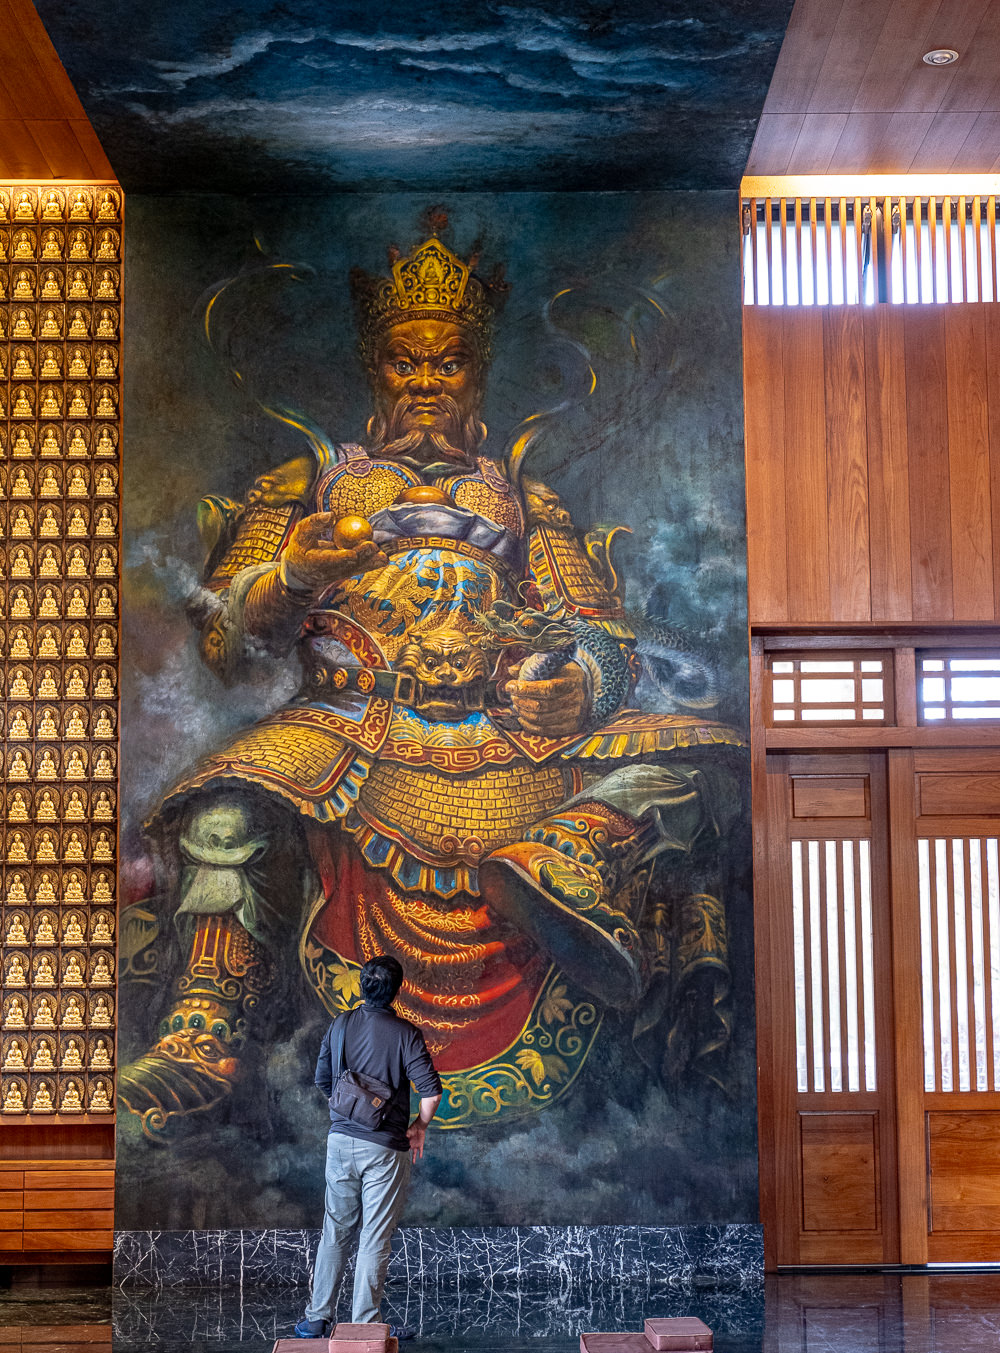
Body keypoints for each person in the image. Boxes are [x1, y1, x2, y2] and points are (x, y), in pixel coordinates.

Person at [119, 220, 743, 1142]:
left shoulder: (526, 498)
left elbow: (598, 630)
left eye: (444, 364)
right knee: (226, 814)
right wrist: (291, 570)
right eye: (403, 363)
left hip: (505, 732)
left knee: (708, 765)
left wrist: (578, 685)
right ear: (376, 371)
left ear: (474, 376)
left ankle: (562, 856)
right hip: (349, 722)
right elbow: (227, 639)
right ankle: (203, 1026)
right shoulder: (309, 481)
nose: (422, 382)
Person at [295, 954, 442, 1338]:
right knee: (374, 1235)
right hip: (385, 1149)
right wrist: (419, 1127)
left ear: (362, 986)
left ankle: (316, 1318)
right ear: (397, 992)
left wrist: (349, 1109)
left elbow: (323, 1081)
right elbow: (431, 1093)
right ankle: (364, 1325)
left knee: (335, 1232)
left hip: (340, 1142)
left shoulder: (340, 1024)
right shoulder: (405, 1034)